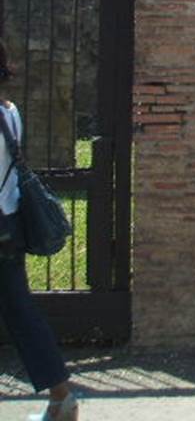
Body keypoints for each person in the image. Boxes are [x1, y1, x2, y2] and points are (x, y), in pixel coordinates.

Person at [0, 40, 79, 421]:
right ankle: (62, 398)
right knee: (21, 312)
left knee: (20, 312)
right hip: (9, 223)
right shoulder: (10, 112)